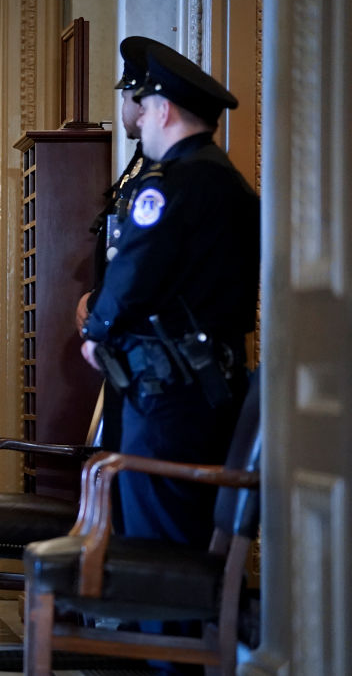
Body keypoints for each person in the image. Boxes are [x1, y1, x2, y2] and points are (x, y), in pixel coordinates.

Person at [79, 44, 259, 673]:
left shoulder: (174, 184)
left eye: (140, 101)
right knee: (169, 537)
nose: (137, 112)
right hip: (193, 389)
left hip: (168, 396)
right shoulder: (225, 181)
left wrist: (96, 329)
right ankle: (158, 653)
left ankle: (165, 663)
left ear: (161, 108)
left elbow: (136, 270)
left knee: (161, 544)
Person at [76, 36, 167, 454]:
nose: (126, 108)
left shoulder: (168, 180)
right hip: (129, 358)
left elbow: (142, 268)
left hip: (155, 370)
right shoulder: (141, 169)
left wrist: (99, 317)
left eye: (131, 97)